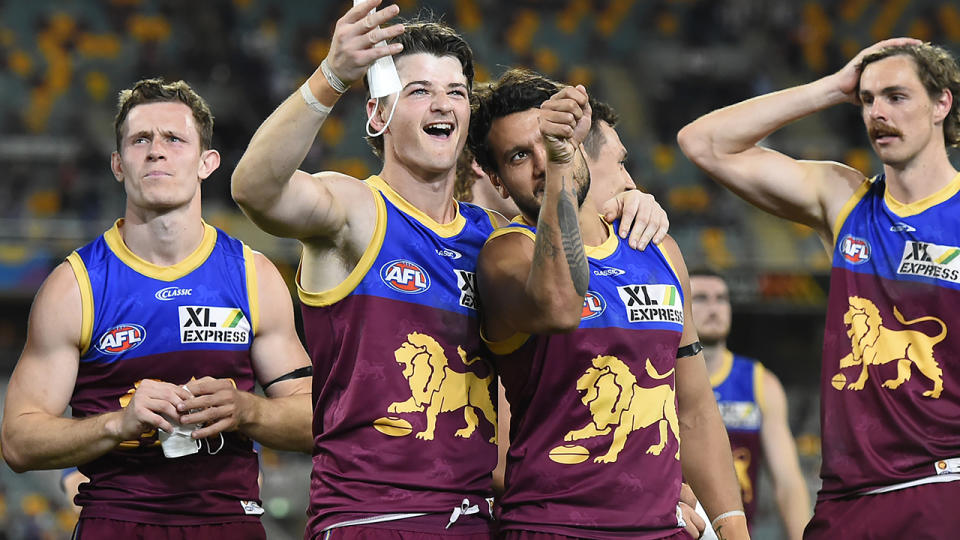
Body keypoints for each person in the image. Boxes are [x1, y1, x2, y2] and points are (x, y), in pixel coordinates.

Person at [231, 3, 669, 537]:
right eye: (419, 91)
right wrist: (331, 77)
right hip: (373, 518)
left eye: (456, 92)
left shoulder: (494, 234)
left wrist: (631, 203)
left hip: (474, 518)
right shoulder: (355, 211)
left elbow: (571, 264)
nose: (443, 103)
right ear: (378, 115)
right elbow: (255, 188)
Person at [0, 78, 313, 539]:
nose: (156, 151)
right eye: (140, 139)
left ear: (207, 162)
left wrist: (248, 410)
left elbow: (315, 421)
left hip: (229, 523)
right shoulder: (74, 286)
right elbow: (17, 442)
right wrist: (116, 424)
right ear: (118, 164)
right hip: (117, 523)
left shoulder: (254, 276)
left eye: (174, 138)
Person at [677, 38, 960, 537]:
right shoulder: (844, 198)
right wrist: (831, 88)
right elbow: (704, 142)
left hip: (940, 487)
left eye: (897, 96)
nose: (878, 112)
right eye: (868, 99)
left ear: (942, 103)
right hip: (845, 499)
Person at [468, 67, 749, 540]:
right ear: (497, 181)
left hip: (663, 529)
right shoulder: (505, 256)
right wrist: (560, 165)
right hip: (555, 527)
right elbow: (560, 302)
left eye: (551, 140)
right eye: (519, 156)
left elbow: (695, 410)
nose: (541, 162)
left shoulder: (657, 249)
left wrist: (732, 530)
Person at [689, 270, 810, 539]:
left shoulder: (761, 383)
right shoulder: (663, 378)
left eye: (721, 299)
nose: (714, 308)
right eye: (701, 298)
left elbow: (788, 482)